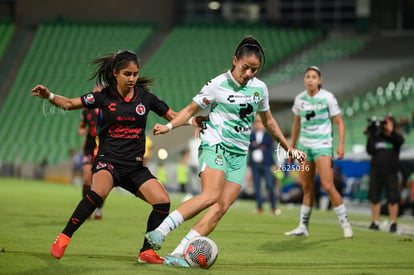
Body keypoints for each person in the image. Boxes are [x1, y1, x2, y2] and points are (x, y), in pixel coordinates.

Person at [145, 35, 306, 267]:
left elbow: (269, 121)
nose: (249, 73)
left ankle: (179, 254)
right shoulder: (217, 84)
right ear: (234, 61)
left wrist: (288, 147)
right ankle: (160, 231)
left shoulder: (259, 88)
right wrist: (169, 126)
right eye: (245, 67)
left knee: (221, 208)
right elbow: (190, 110)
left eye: (254, 69)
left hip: (240, 155)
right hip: (216, 145)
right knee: (211, 196)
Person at [31, 50, 178, 264]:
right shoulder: (103, 96)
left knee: (163, 201)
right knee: (97, 192)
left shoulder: (146, 98)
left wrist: (195, 121)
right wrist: (50, 96)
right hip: (108, 161)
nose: (132, 78)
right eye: (127, 74)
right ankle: (64, 237)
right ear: (116, 73)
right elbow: (70, 104)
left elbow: (174, 116)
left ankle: (147, 252)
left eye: (135, 74)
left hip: (135, 168)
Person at [284, 66, 353, 238]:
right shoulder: (300, 99)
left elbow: (339, 122)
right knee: (306, 187)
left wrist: (341, 144)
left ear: (319, 80)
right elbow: (296, 124)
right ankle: (303, 226)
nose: (310, 79)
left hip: (322, 146)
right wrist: (292, 149)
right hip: (304, 148)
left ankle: (345, 224)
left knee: (328, 186)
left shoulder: (328, 98)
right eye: (307, 76)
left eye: (314, 77)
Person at [366, 115, 404, 232]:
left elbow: (400, 141)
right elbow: (369, 150)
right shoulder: (377, 137)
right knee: (375, 197)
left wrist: (391, 131)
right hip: (376, 172)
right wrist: (370, 135)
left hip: (391, 172)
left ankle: (393, 222)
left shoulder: (395, 137)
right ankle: (375, 221)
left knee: (393, 198)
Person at [78, 84, 103, 219]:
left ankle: (98, 209)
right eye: (95, 92)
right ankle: (86, 209)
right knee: (87, 179)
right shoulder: (87, 111)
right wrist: (82, 130)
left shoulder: (109, 109)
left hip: (103, 149)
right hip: (89, 148)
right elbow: (81, 126)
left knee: (100, 183)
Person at [248, 114, 280, 215]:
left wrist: (257, 145)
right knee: (257, 187)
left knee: (270, 185)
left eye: (260, 122)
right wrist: (260, 146)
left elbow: (267, 144)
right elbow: (251, 146)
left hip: (266, 164)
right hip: (255, 164)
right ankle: (259, 207)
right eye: (256, 122)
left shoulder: (268, 134)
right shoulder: (252, 135)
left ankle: (274, 207)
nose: (258, 125)